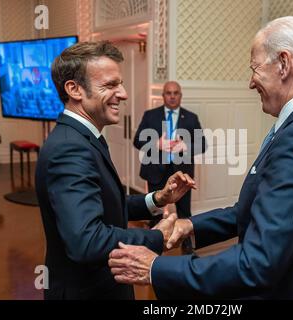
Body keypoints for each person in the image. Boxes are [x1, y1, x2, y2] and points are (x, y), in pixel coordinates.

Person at [108, 16, 293, 299]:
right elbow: (256, 208)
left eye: (255, 69)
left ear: (284, 63)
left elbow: (258, 262)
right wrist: (191, 224)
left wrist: (156, 268)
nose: (251, 82)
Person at [35, 41, 195, 300]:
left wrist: (157, 199)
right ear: (74, 89)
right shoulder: (69, 149)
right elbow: (86, 240)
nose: (123, 93)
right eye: (110, 85)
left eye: (119, 83)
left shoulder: (82, 137)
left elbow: (105, 204)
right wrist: (154, 236)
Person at [133, 81, 206, 253]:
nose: (172, 96)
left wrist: (186, 145)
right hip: (155, 171)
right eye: (168, 93)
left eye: (176, 93)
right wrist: (156, 143)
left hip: (182, 174)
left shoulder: (191, 117)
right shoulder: (150, 115)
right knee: (154, 210)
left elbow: (203, 144)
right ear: (163, 96)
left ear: (180, 95)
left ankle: (187, 245)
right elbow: (137, 140)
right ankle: (152, 245)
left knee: (184, 210)